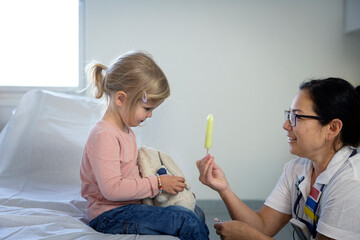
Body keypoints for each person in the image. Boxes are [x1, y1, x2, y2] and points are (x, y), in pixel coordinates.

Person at [197, 77, 360, 240]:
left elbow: (258, 234)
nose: (286, 125)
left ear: (332, 128)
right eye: (289, 115)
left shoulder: (351, 182)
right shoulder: (297, 168)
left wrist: (253, 238)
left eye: (297, 117)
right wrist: (224, 189)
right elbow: (262, 226)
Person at [80, 51, 209, 240]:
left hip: (131, 206)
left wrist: (172, 193)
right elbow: (112, 190)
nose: (149, 115)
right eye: (147, 109)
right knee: (186, 221)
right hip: (109, 215)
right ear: (121, 99)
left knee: (195, 212)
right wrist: (157, 184)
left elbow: (132, 176)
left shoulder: (126, 131)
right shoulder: (104, 135)